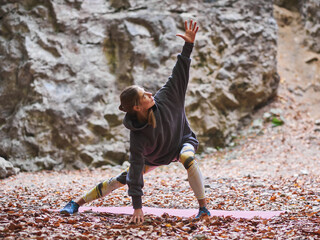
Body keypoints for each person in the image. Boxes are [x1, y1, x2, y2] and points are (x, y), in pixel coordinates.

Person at [60, 19, 210, 224]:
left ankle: (203, 209)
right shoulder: (137, 136)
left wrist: (189, 44)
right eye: (144, 95)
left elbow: (180, 69)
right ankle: (76, 203)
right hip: (155, 157)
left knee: (188, 158)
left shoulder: (166, 97)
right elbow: (136, 172)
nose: (150, 93)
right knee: (122, 179)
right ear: (137, 107)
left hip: (181, 141)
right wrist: (137, 208)